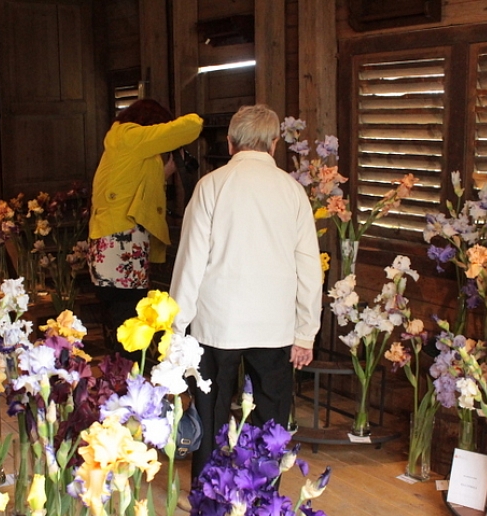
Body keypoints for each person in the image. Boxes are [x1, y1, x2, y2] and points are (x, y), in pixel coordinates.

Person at [170, 104, 323, 480]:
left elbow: (190, 261)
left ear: (229, 141)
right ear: (274, 144)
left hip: (217, 321)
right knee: (271, 408)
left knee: (212, 405)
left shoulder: (211, 186)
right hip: (275, 323)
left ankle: (207, 489)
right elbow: (308, 267)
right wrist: (306, 332)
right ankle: (262, 490)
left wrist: (177, 327)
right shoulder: (292, 191)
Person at [88, 99, 203, 360]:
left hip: (116, 247)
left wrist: (170, 168)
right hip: (121, 246)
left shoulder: (126, 146)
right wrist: (179, 127)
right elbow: (190, 127)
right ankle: (124, 382)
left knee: (125, 320)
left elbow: (136, 184)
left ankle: (121, 380)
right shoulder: (129, 137)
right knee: (127, 320)